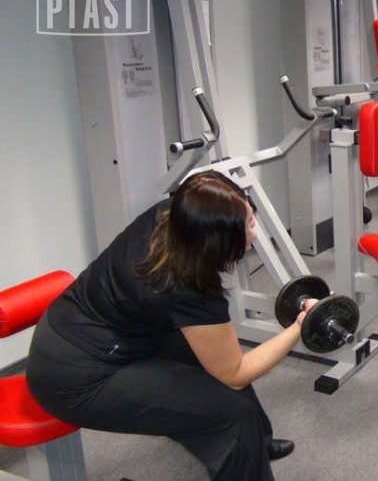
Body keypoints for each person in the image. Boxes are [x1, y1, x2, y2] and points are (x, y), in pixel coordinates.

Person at [26, 171, 304, 481]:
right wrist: (298, 328)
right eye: (249, 225)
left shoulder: (171, 215)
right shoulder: (188, 288)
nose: (255, 231)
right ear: (217, 239)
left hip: (97, 330)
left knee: (213, 358)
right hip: (75, 377)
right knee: (232, 414)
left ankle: (254, 445)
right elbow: (235, 373)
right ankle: (243, 446)